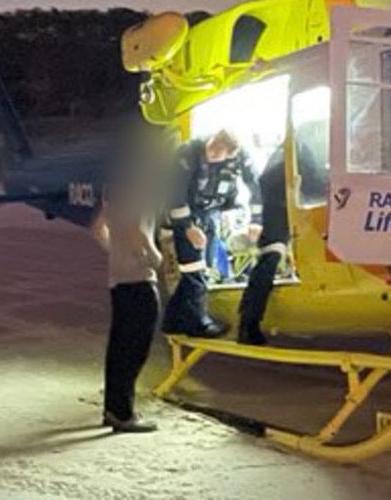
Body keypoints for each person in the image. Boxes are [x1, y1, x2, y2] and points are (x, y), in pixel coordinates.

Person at [93, 120, 167, 433]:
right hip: (138, 279)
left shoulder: (115, 190)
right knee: (135, 349)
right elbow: (139, 231)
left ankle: (114, 410)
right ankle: (124, 415)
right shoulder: (144, 187)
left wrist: (115, 252)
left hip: (118, 279)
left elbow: (97, 228)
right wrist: (155, 258)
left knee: (118, 348)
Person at [163, 128, 259, 338]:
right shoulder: (187, 154)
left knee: (201, 268)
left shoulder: (239, 156)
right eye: (214, 150)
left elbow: (255, 185)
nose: (216, 156)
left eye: (223, 154)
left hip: (212, 213)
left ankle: (172, 321)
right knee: (194, 268)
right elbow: (174, 195)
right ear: (213, 139)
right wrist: (188, 227)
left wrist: (256, 220)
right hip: (186, 214)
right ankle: (199, 324)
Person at [237, 144, 288, 345]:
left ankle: (248, 322)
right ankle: (248, 324)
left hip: (278, 214)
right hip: (279, 216)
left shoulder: (281, 156)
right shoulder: (291, 157)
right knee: (268, 264)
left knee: (267, 264)